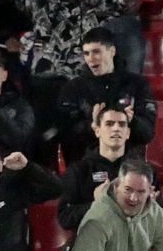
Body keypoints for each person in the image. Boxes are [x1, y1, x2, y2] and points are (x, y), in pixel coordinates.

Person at [0, 0, 139, 164]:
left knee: (80, 155)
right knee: (43, 154)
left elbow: (124, 2)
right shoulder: (41, 4)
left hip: (81, 91)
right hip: (44, 89)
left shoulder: (94, 9)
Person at [55, 27, 156, 163]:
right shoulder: (73, 88)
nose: (91, 59)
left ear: (112, 51)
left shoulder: (137, 84)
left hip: (126, 168)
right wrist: (93, 125)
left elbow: (147, 133)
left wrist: (131, 121)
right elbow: (65, 135)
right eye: (86, 53)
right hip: (85, 168)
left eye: (96, 52)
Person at [57, 104, 161, 231]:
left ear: (128, 133)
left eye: (122, 124)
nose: (116, 129)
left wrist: (148, 208)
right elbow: (65, 218)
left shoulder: (145, 173)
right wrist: (97, 205)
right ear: (97, 130)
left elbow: (159, 224)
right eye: (109, 124)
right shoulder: (78, 171)